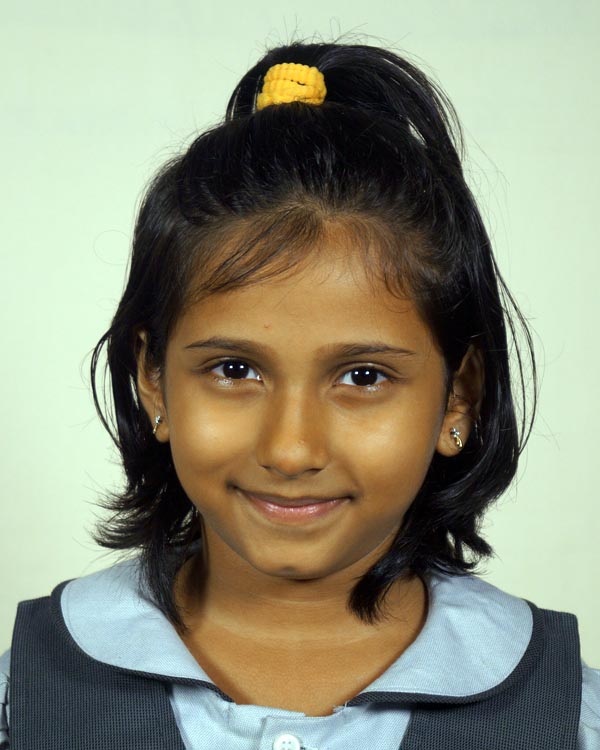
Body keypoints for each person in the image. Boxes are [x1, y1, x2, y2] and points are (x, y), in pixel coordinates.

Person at [1, 41, 598, 750]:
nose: (290, 450)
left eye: (364, 377)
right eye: (233, 370)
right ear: (153, 380)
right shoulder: (22, 703)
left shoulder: (570, 719)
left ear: (458, 399)